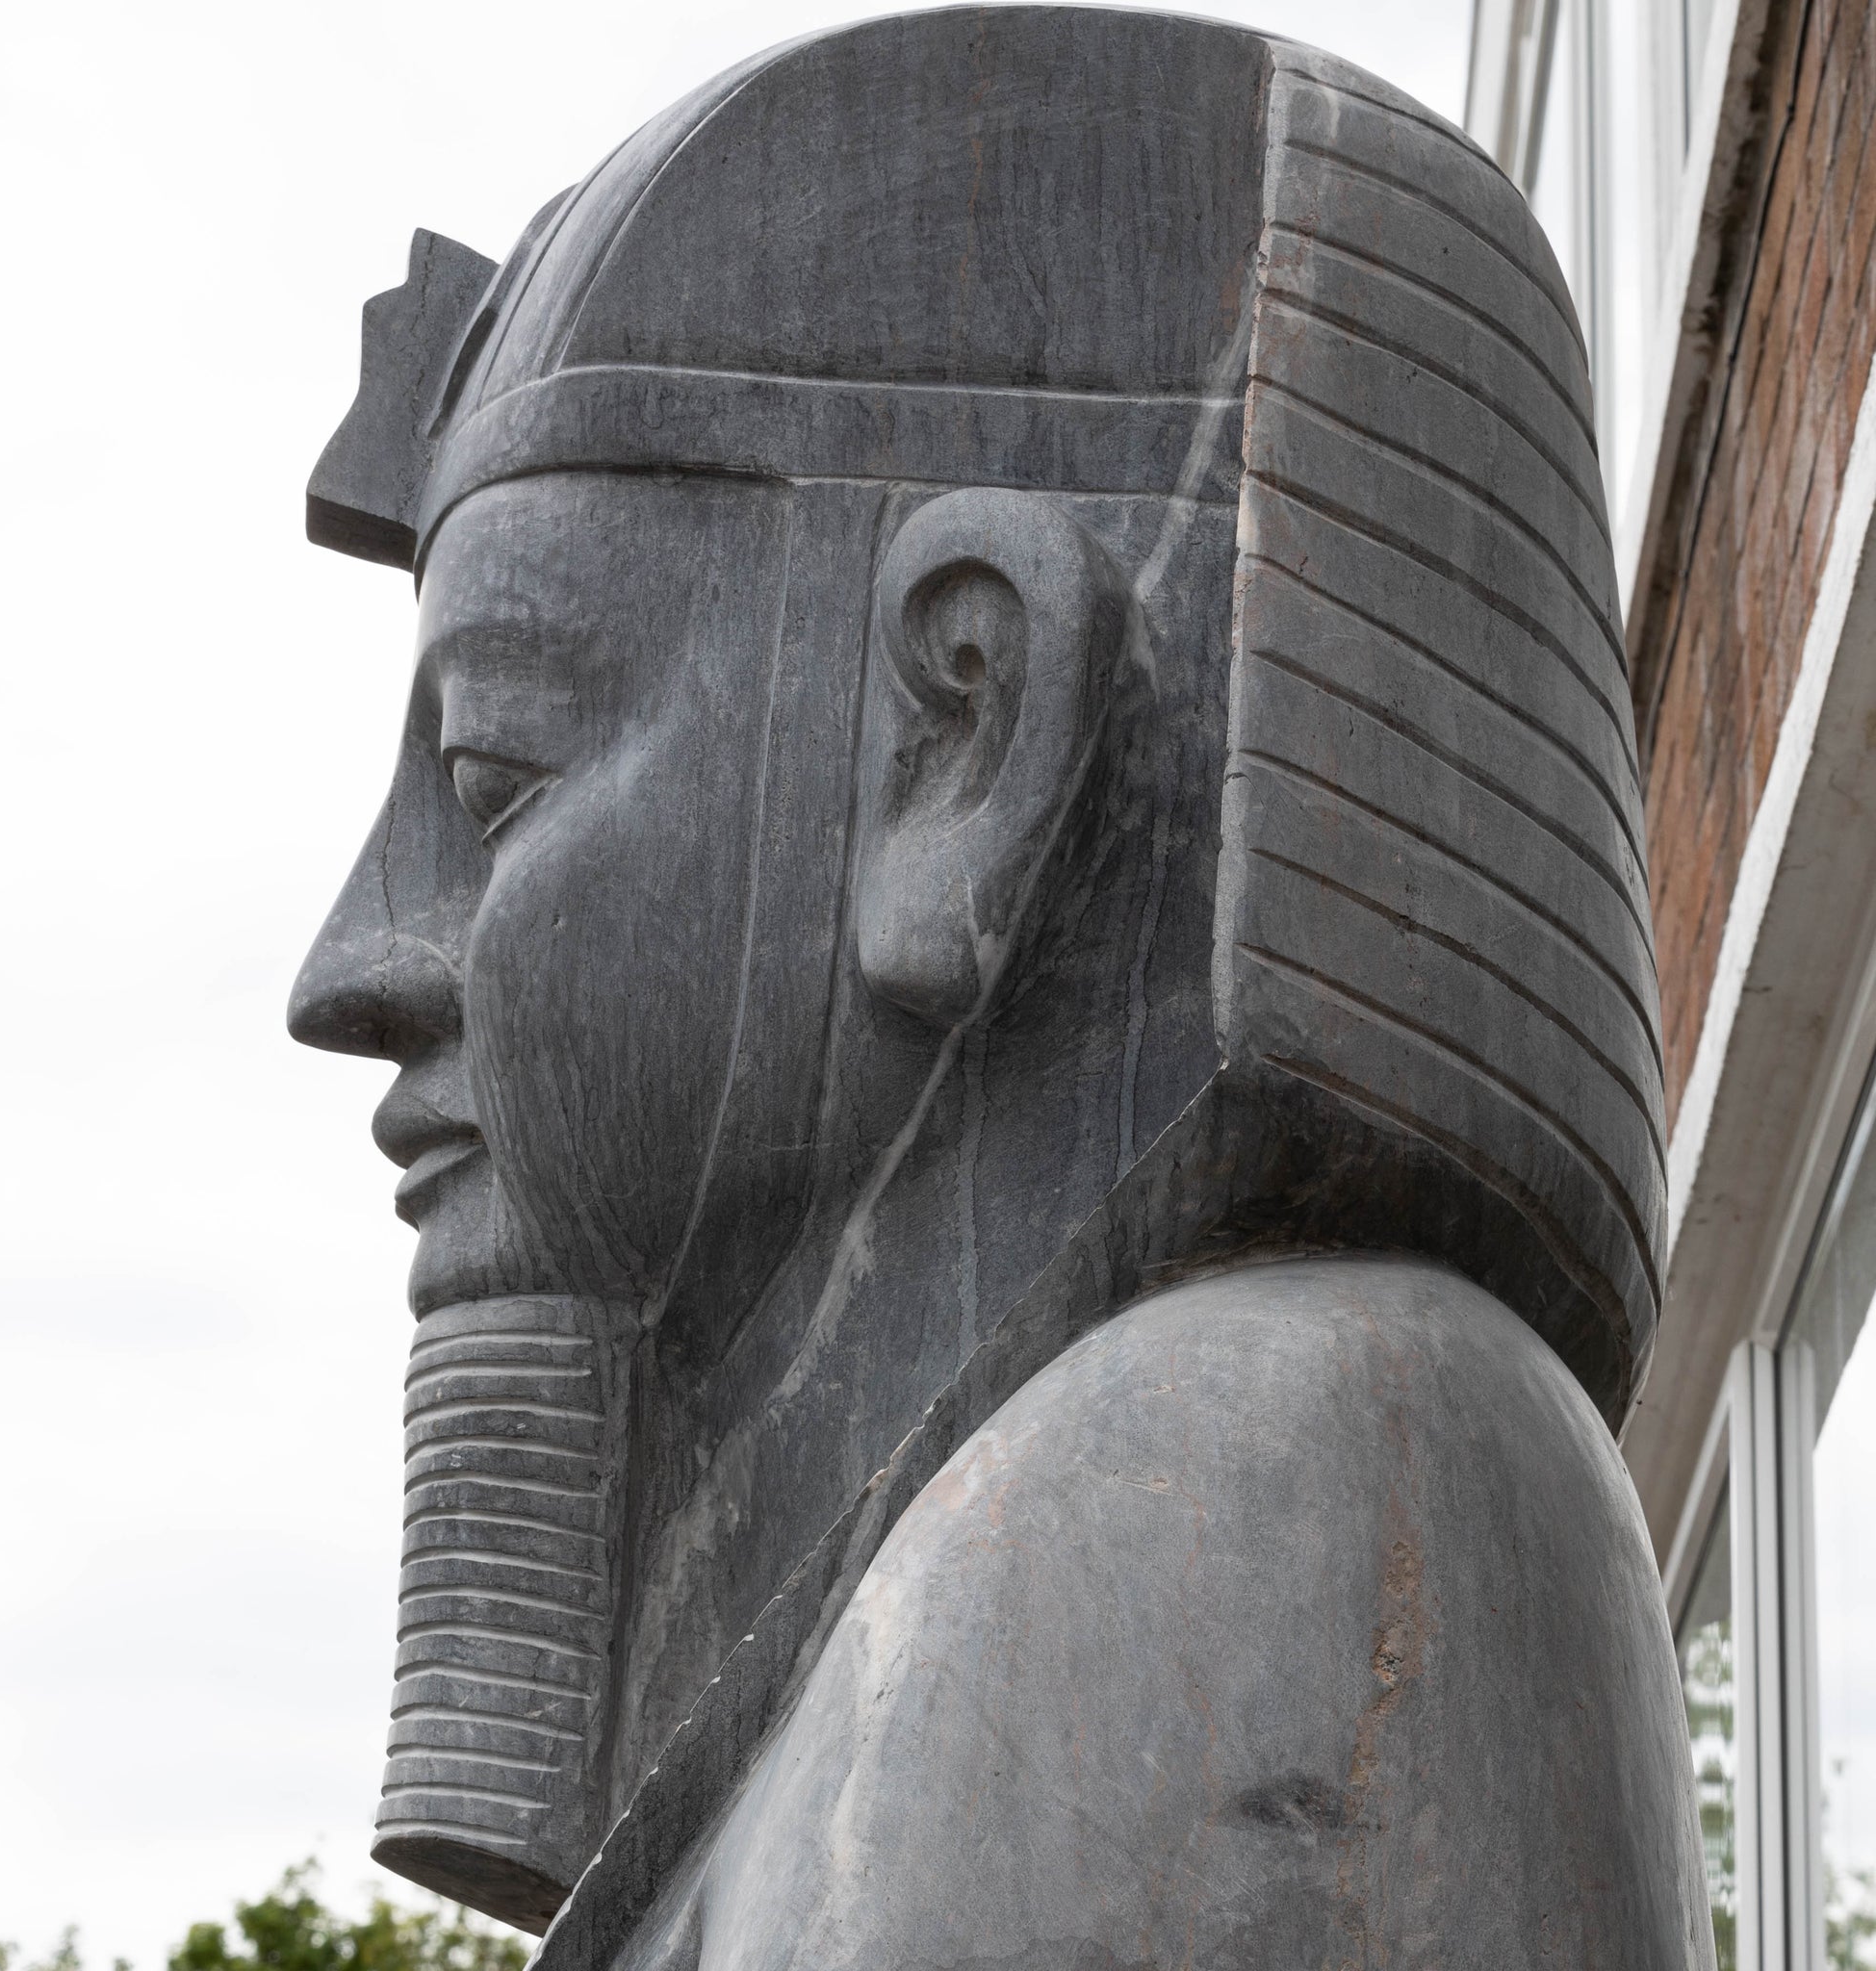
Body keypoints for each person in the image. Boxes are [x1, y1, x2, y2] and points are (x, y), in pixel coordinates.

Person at [290, 12, 1708, 1965]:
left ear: (964, 724)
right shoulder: (992, 1561)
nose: (349, 964)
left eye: (492, 780)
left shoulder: (1235, 1471)